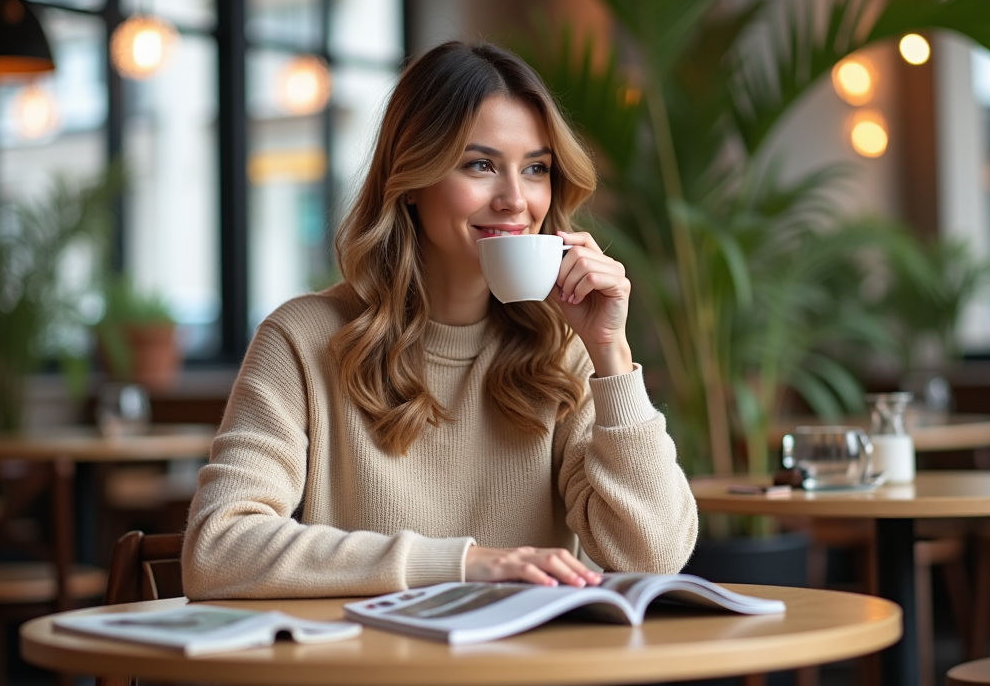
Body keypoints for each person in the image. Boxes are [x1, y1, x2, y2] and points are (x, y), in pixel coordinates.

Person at [182, 41, 698, 600]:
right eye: (480, 165)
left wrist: (610, 352)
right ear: (412, 181)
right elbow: (218, 549)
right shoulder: (302, 339)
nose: (515, 200)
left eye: (535, 169)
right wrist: (463, 563)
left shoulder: (564, 354)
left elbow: (654, 555)